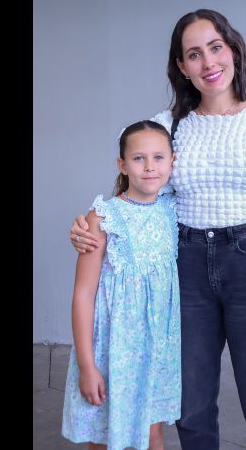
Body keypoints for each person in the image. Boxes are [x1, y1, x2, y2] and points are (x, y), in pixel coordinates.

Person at [69, 9, 246, 450]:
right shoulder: (170, 126)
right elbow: (137, 185)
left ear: (233, 49)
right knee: (190, 407)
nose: (208, 62)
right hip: (185, 269)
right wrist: (89, 225)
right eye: (194, 54)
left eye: (215, 47)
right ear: (182, 68)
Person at [62, 120, 181, 450]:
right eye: (139, 158)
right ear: (122, 164)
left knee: (152, 432)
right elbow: (83, 294)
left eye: (158, 157)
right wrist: (88, 366)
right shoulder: (103, 217)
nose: (149, 167)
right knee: (103, 433)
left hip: (158, 349)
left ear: (173, 161)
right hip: (111, 349)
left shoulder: (175, 210)